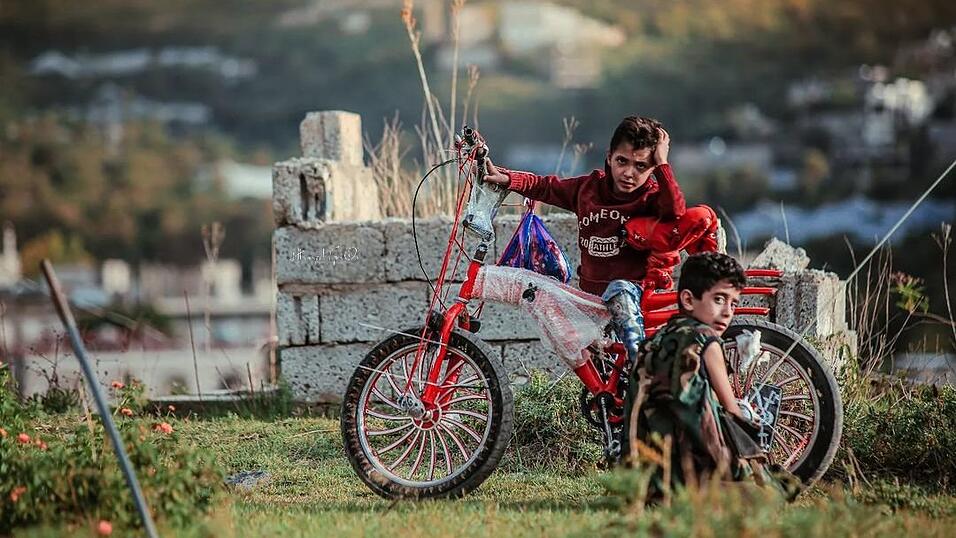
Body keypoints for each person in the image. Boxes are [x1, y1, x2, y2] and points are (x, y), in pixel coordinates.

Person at [621, 252, 799, 500]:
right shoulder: (705, 340)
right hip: (684, 483)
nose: (727, 312)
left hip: (639, 483)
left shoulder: (657, 339)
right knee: (774, 495)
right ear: (688, 300)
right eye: (719, 299)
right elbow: (733, 413)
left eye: (733, 303)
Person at [482, 115, 720, 296]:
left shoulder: (651, 197)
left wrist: (662, 164)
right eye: (622, 161)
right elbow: (545, 186)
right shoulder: (588, 189)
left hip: (633, 300)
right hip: (590, 300)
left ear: (652, 169)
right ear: (609, 157)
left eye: (640, 166)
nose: (628, 173)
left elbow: (676, 210)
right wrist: (508, 179)